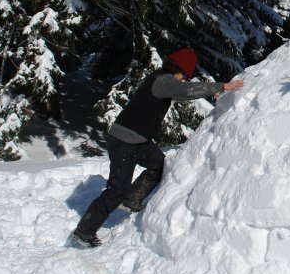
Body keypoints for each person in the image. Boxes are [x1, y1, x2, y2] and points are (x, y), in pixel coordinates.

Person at [71, 48, 244, 248]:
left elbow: (181, 92)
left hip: (139, 140)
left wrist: (212, 89)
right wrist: (223, 86)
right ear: (180, 70)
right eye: (187, 75)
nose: (186, 79)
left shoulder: (164, 81)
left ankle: (131, 198)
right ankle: (84, 231)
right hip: (125, 141)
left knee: (158, 163)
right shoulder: (164, 80)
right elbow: (186, 91)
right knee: (115, 190)